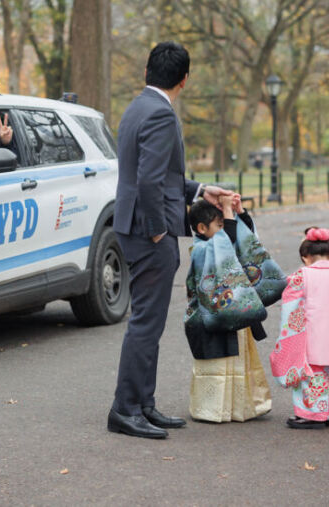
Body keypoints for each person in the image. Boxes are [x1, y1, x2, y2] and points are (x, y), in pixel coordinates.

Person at [108, 40, 232, 440]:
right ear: (185, 80)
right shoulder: (161, 113)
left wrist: (200, 191)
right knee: (146, 323)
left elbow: (158, 175)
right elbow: (148, 180)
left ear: (147, 72)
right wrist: (159, 229)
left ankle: (143, 403)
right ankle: (125, 409)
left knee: (150, 320)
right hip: (148, 232)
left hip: (134, 225)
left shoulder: (137, 107)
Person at [183, 195, 286, 423]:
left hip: (231, 312)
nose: (224, 230)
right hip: (210, 317)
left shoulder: (218, 244)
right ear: (201, 228)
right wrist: (228, 212)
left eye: (224, 225)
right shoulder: (201, 249)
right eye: (219, 225)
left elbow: (245, 243)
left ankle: (241, 408)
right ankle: (211, 410)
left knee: (238, 364)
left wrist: (239, 213)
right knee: (217, 367)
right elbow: (226, 244)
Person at [269, 227, 329, 429]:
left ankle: (312, 415)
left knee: (310, 377)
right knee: (328, 376)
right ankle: (328, 413)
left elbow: (291, 309)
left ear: (305, 257)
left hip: (311, 337)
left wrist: (289, 336)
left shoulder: (302, 275)